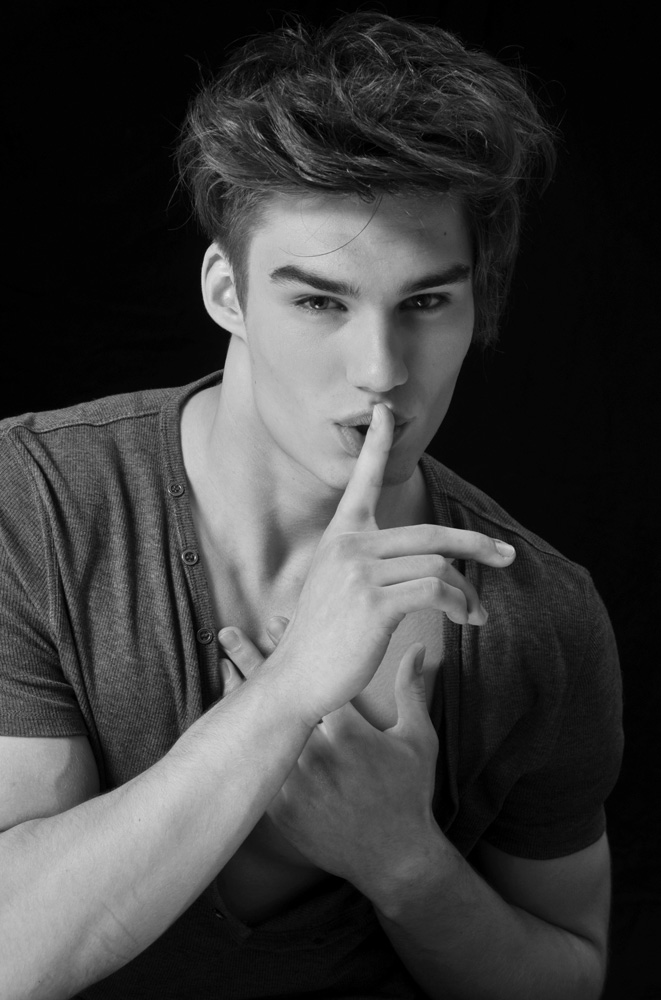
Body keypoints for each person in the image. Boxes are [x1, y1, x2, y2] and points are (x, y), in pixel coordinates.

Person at [0, 10, 623, 999]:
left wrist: (403, 862)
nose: (381, 371)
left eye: (426, 303)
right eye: (319, 301)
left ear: (477, 305)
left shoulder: (540, 615)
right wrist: (286, 694)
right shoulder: (34, 504)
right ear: (227, 291)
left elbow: (570, 977)